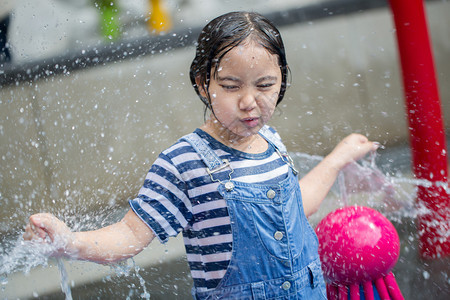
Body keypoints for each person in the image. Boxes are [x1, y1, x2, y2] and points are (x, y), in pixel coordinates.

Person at [24, 11, 378, 299]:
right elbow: (129, 236)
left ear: (282, 80)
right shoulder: (183, 163)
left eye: (265, 85)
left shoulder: (271, 141)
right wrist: (68, 241)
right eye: (230, 86)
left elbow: (295, 207)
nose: (249, 101)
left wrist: (337, 159)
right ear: (201, 83)